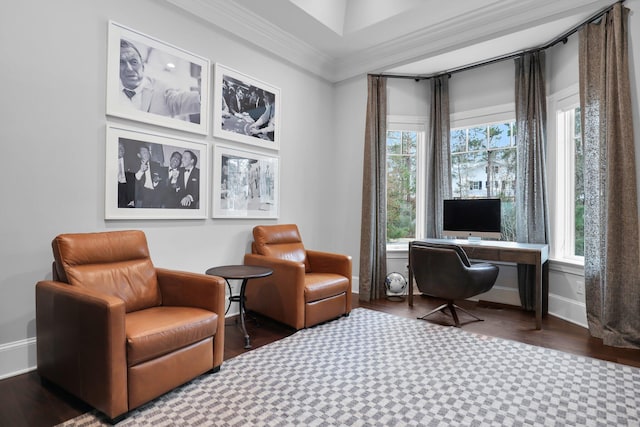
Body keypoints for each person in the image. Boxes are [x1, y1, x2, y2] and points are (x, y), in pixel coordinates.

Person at [119, 39, 201, 120]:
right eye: (122, 63)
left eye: (134, 62)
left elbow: (180, 101)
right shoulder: (110, 89)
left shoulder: (162, 90)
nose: (129, 68)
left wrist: (202, 96)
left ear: (143, 67)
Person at [117, 142, 135, 208]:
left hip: (126, 187)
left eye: (122, 147)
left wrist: (132, 198)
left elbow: (133, 179)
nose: (121, 149)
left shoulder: (129, 161)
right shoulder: (110, 161)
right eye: (119, 148)